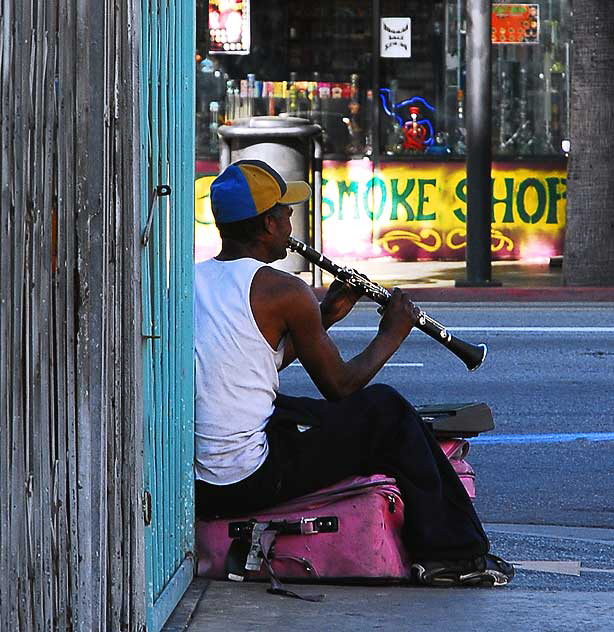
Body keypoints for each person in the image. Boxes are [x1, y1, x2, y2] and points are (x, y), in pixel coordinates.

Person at [194, 159, 514, 587]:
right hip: (243, 479)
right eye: (285, 212)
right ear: (268, 226)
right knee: (387, 411)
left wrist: (324, 316)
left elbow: (252, 356)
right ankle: (453, 554)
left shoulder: (191, 281)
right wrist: (391, 334)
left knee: (292, 408)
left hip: (200, 482)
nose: (292, 218)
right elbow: (340, 386)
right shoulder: (286, 291)